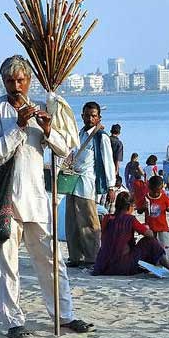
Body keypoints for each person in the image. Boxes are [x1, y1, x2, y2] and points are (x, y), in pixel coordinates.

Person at [0, 55, 94, 338]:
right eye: (10, 81)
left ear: (29, 81)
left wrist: (46, 129)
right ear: (3, 82)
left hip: (36, 199)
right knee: (7, 263)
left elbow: (63, 152)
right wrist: (18, 127)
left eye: (20, 80)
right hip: (6, 201)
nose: (15, 86)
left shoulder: (41, 108)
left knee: (51, 260)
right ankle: (13, 321)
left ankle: (65, 315)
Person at [65, 101, 116, 268]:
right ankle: (75, 257)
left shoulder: (102, 137)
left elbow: (108, 162)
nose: (90, 118)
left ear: (98, 117)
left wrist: (111, 186)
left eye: (93, 115)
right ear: (82, 116)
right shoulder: (79, 134)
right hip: (72, 183)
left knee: (88, 222)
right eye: (87, 115)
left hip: (88, 185)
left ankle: (92, 257)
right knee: (72, 223)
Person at [92, 192, 169, 276]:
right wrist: (144, 228)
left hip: (104, 266)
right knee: (150, 241)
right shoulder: (130, 219)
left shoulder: (107, 218)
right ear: (129, 207)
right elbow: (150, 234)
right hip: (122, 266)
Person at [136, 175, 169, 261]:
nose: (156, 194)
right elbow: (139, 211)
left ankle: (166, 263)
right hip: (150, 228)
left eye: (158, 192)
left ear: (161, 188)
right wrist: (143, 207)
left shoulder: (164, 197)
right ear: (149, 188)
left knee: (165, 246)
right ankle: (152, 262)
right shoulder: (145, 197)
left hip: (162, 227)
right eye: (153, 192)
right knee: (151, 246)